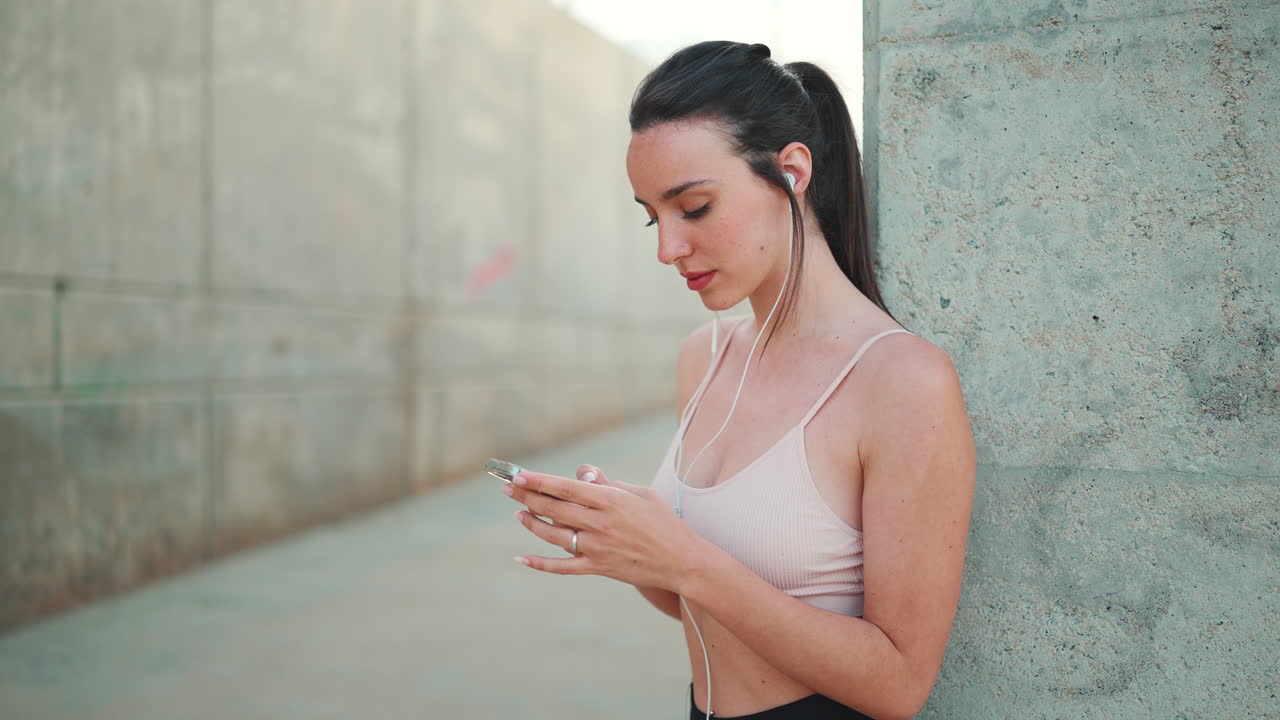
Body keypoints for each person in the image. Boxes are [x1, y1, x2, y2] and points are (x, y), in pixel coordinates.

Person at [501, 41, 975, 720]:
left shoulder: (902, 382)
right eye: (651, 217)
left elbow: (898, 685)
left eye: (692, 208)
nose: (668, 248)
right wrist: (634, 541)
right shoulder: (704, 356)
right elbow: (693, 601)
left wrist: (686, 558)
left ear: (791, 172)